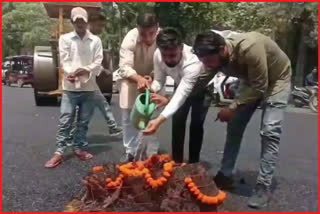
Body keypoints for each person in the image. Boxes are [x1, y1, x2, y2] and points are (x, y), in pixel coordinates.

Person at [192, 31, 292, 208]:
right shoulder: (214, 58)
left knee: (270, 131)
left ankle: (263, 186)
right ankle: (225, 174)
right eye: (203, 61)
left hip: (276, 80)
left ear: (222, 50)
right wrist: (175, 100)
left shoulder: (250, 47)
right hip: (250, 79)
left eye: (209, 61)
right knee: (234, 126)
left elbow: (260, 87)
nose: (206, 65)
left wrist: (232, 107)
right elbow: (199, 81)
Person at [45, 7, 103, 168]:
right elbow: (64, 59)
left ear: (87, 21)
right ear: (72, 22)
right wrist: (71, 72)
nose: (80, 24)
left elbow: (98, 62)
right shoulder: (65, 39)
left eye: (82, 21)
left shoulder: (96, 41)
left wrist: (87, 70)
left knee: (83, 121)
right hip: (70, 87)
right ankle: (59, 152)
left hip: (89, 87)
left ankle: (79, 147)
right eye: (76, 21)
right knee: (65, 120)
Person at [145, 27, 213, 163]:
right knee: (177, 123)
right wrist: (152, 89)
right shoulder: (158, 54)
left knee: (196, 126)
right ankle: (176, 163)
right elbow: (159, 79)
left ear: (181, 48)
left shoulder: (193, 62)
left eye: (172, 55)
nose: (168, 60)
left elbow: (181, 95)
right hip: (180, 84)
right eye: (164, 55)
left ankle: (193, 164)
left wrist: (159, 120)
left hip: (201, 89)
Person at [117, 11, 160, 162]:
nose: (148, 38)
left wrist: (153, 75)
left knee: (152, 117)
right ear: (137, 29)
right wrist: (138, 78)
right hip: (130, 81)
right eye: (143, 34)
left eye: (152, 33)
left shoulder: (162, 38)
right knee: (129, 118)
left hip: (154, 80)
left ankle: (151, 156)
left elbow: (165, 63)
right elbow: (124, 67)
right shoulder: (130, 38)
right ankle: (130, 152)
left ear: (157, 28)